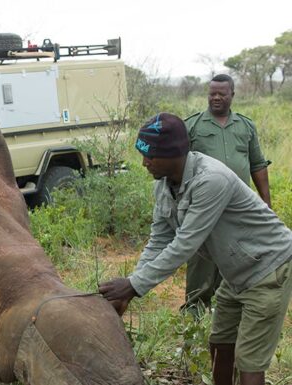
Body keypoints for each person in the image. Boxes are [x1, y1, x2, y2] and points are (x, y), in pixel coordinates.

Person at [99, 113, 292, 385]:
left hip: (268, 269)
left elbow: (185, 244)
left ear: (175, 154)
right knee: (220, 344)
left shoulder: (211, 180)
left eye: (150, 155)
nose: (144, 162)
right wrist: (131, 287)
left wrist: (133, 286)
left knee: (249, 360)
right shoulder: (164, 185)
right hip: (236, 274)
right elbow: (159, 239)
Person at [183, 74, 272, 312]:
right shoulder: (192, 126)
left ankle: (227, 309)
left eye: (222, 93)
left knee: (236, 256)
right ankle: (195, 310)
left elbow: (257, 165)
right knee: (201, 259)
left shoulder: (245, 126)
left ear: (232, 94)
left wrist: (266, 203)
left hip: (238, 208)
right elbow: (179, 168)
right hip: (203, 205)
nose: (216, 97)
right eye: (212, 93)